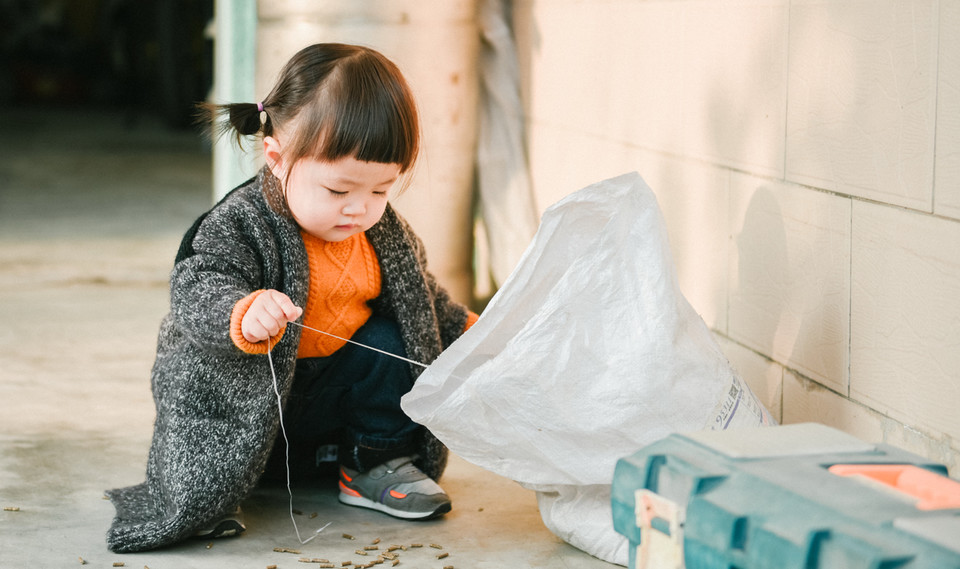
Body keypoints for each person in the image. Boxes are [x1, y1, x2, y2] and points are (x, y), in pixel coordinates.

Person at [105, 43, 478, 553]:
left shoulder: (382, 232)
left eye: (380, 191)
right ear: (278, 158)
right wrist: (240, 312)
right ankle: (220, 484)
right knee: (216, 399)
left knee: (395, 340)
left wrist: (465, 326)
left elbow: (421, 295)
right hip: (254, 399)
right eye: (338, 190)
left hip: (334, 397)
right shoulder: (240, 223)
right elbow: (198, 284)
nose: (360, 209)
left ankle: (373, 461)